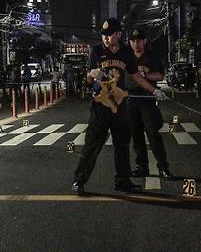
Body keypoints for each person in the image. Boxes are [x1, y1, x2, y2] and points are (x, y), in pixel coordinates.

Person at [71, 18, 167, 195]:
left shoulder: (126, 52)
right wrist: (92, 77)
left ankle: (123, 182)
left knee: (122, 145)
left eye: (110, 35)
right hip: (100, 106)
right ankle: (79, 180)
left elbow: (136, 76)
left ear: (119, 34)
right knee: (92, 144)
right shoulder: (96, 51)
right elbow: (89, 81)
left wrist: (154, 91)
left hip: (121, 106)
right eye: (104, 35)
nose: (106, 39)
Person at [126, 28, 174, 180]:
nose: (136, 44)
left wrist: (144, 75)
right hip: (130, 100)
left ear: (144, 41)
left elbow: (160, 75)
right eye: (133, 41)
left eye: (139, 40)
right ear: (129, 42)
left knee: (153, 133)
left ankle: (163, 167)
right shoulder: (126, 58)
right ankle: (142, 167)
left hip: (147, 99)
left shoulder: (151, 57)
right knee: (136, 135)